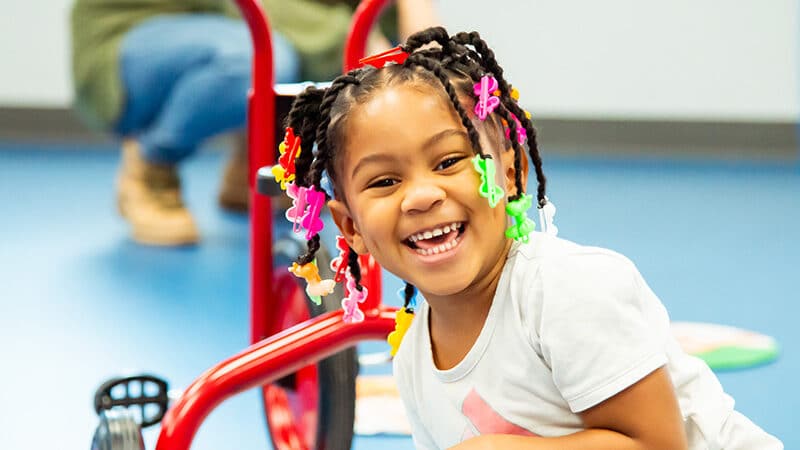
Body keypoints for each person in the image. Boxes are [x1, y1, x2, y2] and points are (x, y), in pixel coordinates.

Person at [272, 27, 783, 449]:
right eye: (385, 181)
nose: (421, 196)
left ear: (511, 173)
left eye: (450, 161)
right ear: (352, 228)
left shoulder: (566, 290)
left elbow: (656, 444)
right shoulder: (413, 358)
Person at [70, 0, 438, 246]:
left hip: (223, 24)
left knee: (331, 49)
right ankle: (151, 165)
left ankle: (256, 159)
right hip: (135, 33)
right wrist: (357, 37)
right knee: (262, 56)